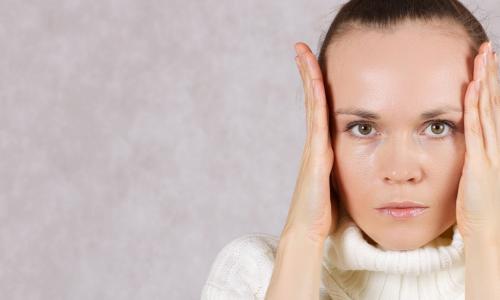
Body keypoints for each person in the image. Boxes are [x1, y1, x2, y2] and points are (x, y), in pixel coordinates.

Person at [201, 0, 500, 299]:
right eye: (364, 128)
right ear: (322, 135)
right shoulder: (254, 272)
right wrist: (303, 237)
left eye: (438, 127)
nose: (400, 171)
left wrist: (487, 240)